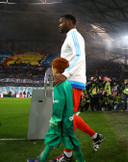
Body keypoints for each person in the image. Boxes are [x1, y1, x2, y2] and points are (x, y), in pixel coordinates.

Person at [53, 14, 104, 161]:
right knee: (69, 117)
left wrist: (66, 74)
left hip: (72, 81)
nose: (59, 25)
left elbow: (79, 56)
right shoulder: (70, 36)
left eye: (61, 22)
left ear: (69, 22)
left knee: (67, 118)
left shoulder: (74, 35)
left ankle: (68, 155)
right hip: (70, 81)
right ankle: (96, 137)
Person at [27, 58, 84, 162]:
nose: (52, 69)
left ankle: (41, 160)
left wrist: (55, 120)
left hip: (60, 120)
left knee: (51, 139)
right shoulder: (66, 83)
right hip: (68, 119)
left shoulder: (58, 84)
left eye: (53, 67)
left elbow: (58, 104)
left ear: (56, 69)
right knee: (72, 141)